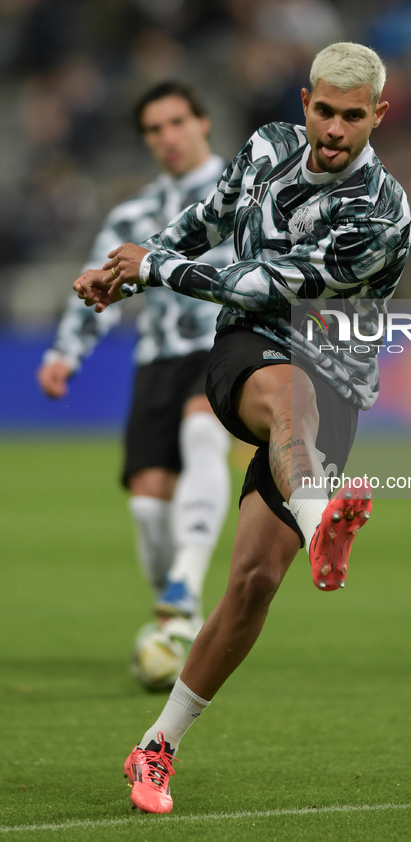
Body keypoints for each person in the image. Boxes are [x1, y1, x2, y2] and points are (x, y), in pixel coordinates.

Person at [74, 42, 411, 814]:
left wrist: (147, 267)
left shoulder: (380, 214)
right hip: (250, 351)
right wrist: (132, 269)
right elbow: (210, 221)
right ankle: (323, 510)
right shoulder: (266, 148)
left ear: (377, 116)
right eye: (322, 110)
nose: (332, 129)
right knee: (284, 394)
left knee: (254, 581)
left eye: (350, 117)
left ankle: (155, 746)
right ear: (305, 100)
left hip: (336, 375)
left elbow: (269, 279)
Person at [38, 82, 233, 658]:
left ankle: (187, 581)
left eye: (177, 122)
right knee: (149, 508)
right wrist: (63, 354)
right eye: (154, 129)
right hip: (157, 360)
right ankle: (178, 622)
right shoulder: (135, 212)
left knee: (204, 433)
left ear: (203, 123)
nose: (167, 138)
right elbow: (96, 285)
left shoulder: (244, 198)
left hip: (226, 347)